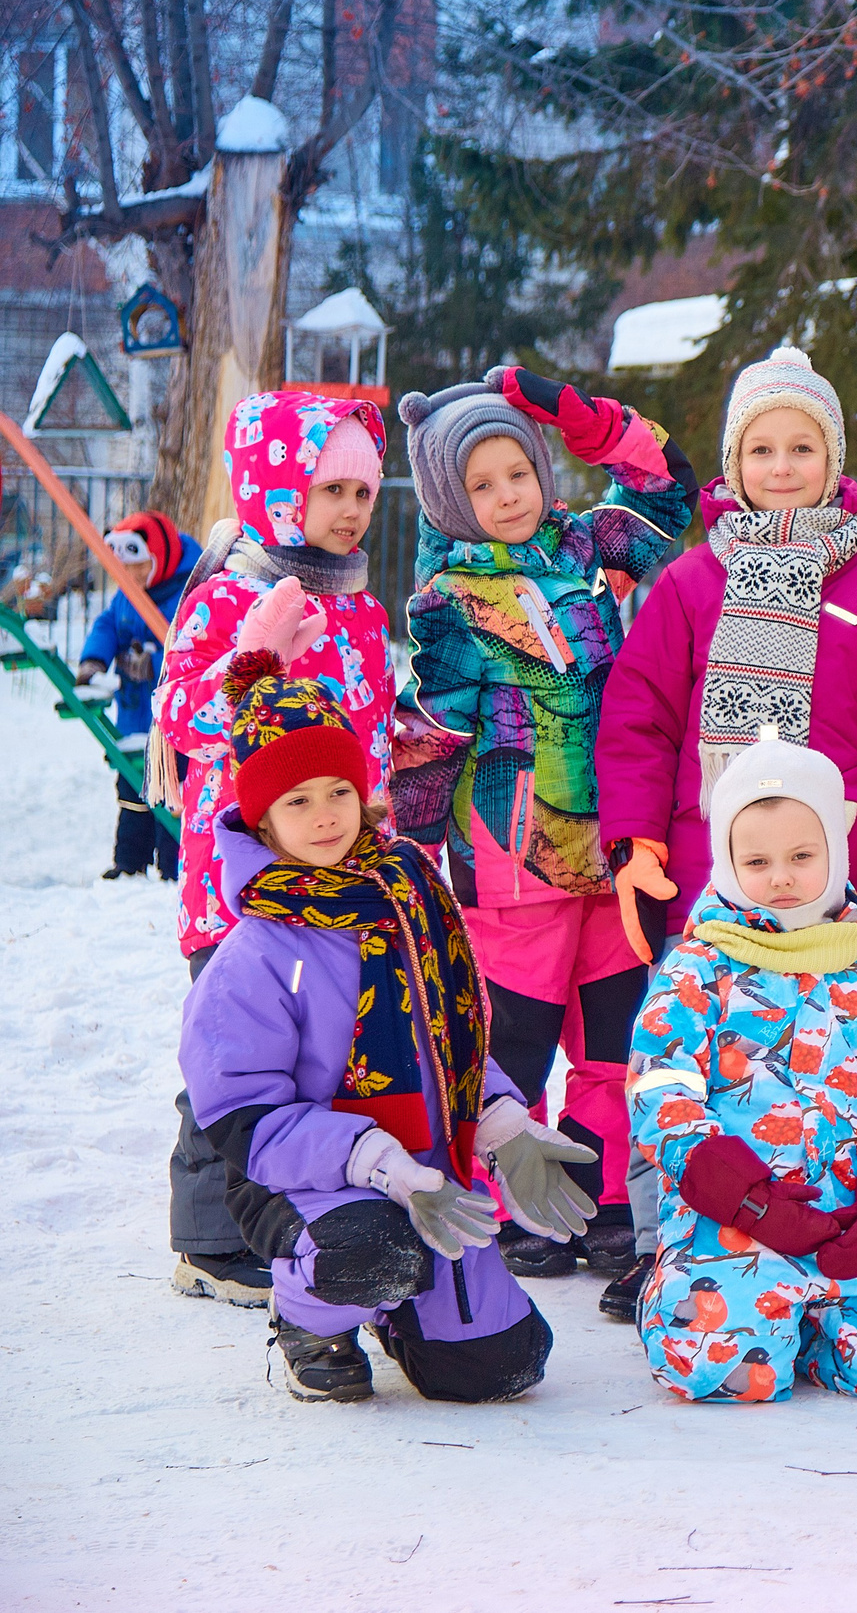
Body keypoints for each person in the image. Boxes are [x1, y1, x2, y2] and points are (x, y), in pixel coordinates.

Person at [179, 652, 586, 1401]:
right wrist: (378, 1163)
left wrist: (501, 1125)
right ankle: (314, 1316)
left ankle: (400, 1307)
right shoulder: (253, 955)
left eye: (338, 789)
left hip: (431, 1170)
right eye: (297, 801)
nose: (326, 813)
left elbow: (451, 1041)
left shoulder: (409, 897)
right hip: (305, 1178)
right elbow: (246, 1120)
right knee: (372, 1248)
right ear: (261, 817)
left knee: (499, 1365)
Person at [393, 368, 699, 1287]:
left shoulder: (583, 545)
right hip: (512, 853)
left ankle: (605, 1199)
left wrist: (591, 424)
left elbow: (667, 496)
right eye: (479, 486)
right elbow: (433, 730)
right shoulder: (447, 598)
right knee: (510, 1050)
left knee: (616, 1038)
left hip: (615, 841)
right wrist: (412, 844)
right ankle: (515, 1203)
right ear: (452, 499)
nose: (505, 497)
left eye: (516, 473)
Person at [598, 344, 857, 997]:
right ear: (735, 464)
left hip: (843, 878)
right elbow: (637, 726)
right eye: (761, 450)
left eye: (803, 448)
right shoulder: (687, 585)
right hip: (711, 874)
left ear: (832, 461)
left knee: (836, 1069)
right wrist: (637, 843)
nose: (782, 467)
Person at [626, 737, 857, 1403]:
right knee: (725, 1372)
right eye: (756, 860)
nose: (780, 877)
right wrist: (745, 1198)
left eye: (801, 857)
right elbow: (662, 1091)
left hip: (850, 1216)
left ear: (834, 853)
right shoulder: (696, 969)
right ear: (725, 861)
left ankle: (820, 1326)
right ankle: (707, 1301)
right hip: (733, 1218)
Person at [155, 391, 396, 1309]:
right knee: (233, 1053)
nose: (347, 509)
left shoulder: (360, 607)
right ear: (275, 485)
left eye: (363, 492)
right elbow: (180, 714)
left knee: (313, 1058)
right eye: (328, 486)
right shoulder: (229, 594)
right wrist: (246, 662)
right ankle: (210, 1239)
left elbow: (362, 727)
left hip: (337, 877)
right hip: (242, 884)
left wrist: (399, 763)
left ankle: (292, 1214)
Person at [78, 509, 200, 880]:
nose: (127, 578)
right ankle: (129, 862)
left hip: (174, 725)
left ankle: (171, 865)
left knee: (170, 794)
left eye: (137, 567)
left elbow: (195, 648)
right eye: (122, 569)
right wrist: (93, 660)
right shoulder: (126, 593)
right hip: (134, 714)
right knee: (132, 790)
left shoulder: (189, 591)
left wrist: (155, 661)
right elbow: (107, 625)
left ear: (159, 560)